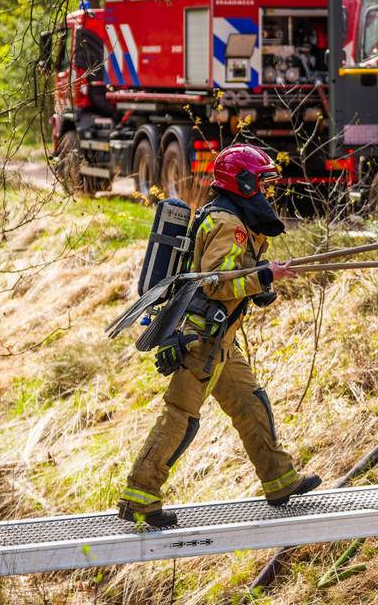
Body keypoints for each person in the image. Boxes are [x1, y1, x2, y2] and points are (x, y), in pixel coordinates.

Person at [118, 144, 321, 527]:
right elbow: (216, 283)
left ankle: (279, 480)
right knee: (181, 416)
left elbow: (230, 278)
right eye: (261, 182)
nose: (265, 190)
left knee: (249, 402)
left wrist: (262, 281)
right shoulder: (230, 225)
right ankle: (139, 495)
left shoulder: (230, 218)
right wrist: (263, 276)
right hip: (202, 340)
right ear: (242, 182)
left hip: (220, 337)